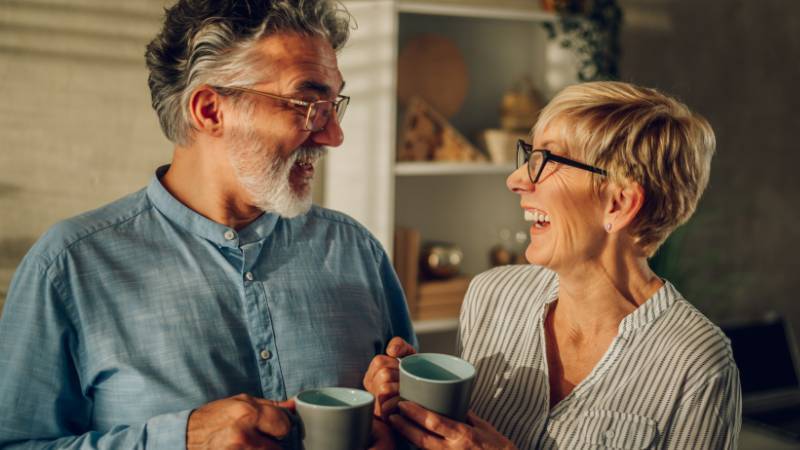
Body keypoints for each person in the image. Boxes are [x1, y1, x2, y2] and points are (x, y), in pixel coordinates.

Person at [0, 1, 415, 449]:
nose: (333, 135)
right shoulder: (69, 266)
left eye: (334, 106)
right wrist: (178, 440)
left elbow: (413, 424)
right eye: (309, 104)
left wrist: (395, 419)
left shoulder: (357, 251)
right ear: (210, 110)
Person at [365, 81, 741, 449]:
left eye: (546, 160)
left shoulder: (698, 364)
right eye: (528, 155)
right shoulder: (491, 295)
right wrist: (411, 407)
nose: (515, 180)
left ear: (620, 203)